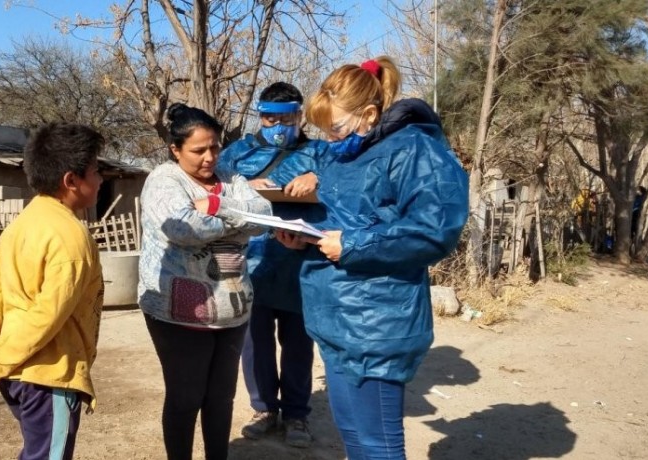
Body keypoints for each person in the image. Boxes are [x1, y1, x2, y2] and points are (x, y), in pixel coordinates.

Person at [275, 57, 468, 459]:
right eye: (324, 131)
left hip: (377, 325)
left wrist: (353, 245)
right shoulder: (339, 154)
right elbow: (338, 215)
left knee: (378, 444)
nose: (329, 139)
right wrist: (299, 237)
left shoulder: (415, 149)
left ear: (368, 114)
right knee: (354, 438)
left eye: (337, 128)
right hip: (334, 319)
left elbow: (434, 229)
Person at [0, 123, 106, 460]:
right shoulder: (70, 237)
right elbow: (48, 315)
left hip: (18, 372)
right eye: (95, 171)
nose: (100, 179)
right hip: (49, 374)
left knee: (38, 451)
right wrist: (1, 355)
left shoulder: (21, 225)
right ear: (71, 180)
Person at [138, 102, 272, 460]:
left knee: (221, 398)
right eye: (198, 150)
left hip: (232, 312)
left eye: (214, 147)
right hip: (178, 312)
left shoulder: (229, 176)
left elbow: (264, 214)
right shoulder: (164, 180)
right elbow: (183, 227)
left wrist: (211, 207)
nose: (210, 157)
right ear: (175, 149)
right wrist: (235, 216)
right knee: (185, 398)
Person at [217, 82, 329, 448]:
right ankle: (264, 409)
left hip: (302, 267)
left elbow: (346, 187)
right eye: (270, 118)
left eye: (287, 118)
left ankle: (297, 414)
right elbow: (214, 193)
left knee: (299, 345)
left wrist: (318, 178)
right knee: (256, 344)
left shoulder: (320, 153)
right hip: (251, 264)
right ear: (259, 116)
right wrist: (247, 187)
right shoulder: (237, 154)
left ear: (300, 116)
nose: (278, 125)